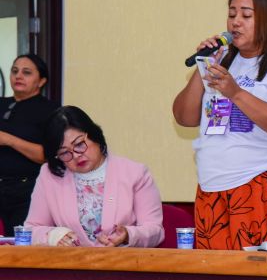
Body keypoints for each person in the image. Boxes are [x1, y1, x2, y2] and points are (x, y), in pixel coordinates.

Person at [172, 0, 267, 249]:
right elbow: (184, 117)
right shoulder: (224, 60)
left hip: (264, 183)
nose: (236, 21)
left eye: (246, 15)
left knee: (259, 278)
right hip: (213, 187)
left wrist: (236, 93)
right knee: (217, 278)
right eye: (231, 14)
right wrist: (204, 65)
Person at [25, 106, 164, 247]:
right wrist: (53, 236)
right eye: (64, 153)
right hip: (72, 265)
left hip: (122, 264)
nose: (76, 155)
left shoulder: (135, 173)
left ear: (94, 135)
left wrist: (129, 235)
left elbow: (155, 230)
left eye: (79, 144)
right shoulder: (49, 176)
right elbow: (31, 230)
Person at [0, 54, 59, 236]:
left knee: (20, 244)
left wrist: (9, 140)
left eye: (26, 72)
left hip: (26, 191)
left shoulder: (50, 110)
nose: (18, 76)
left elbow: (47, 155)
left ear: (41, 81)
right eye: (15, 71)